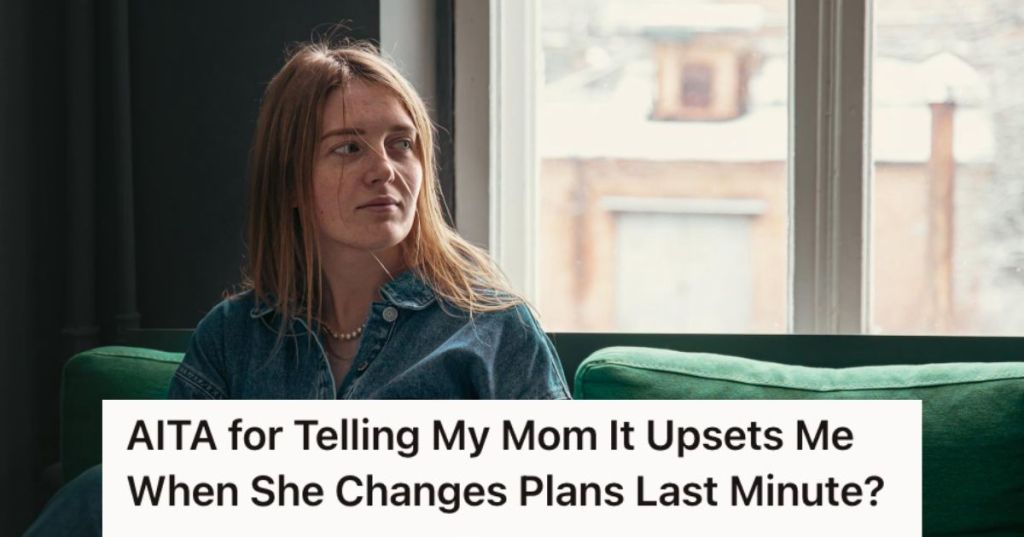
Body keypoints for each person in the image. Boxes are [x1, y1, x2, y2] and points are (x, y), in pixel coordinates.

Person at [25, 40, 569, 537]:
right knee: (109, 492)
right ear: (289, 182)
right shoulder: (234, 336)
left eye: (401, 143)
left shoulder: (493, 328)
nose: (385, 169)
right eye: (347, 149)